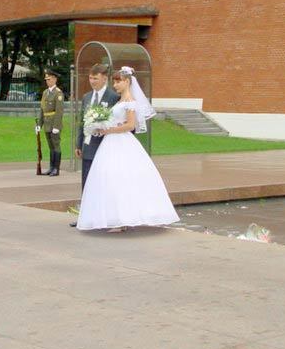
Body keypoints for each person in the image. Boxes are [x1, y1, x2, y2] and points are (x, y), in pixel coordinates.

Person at [76, 66, 180, 232]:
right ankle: (116, 217)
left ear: (128, 82)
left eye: (119, 81)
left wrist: (108, 129)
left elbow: (130, 125)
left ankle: (122, 219)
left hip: (120, 141)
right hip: (110, 142)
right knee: (111, 180)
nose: (116, 85)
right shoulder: (120, 100)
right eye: (115, 82)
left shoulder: (130, 101)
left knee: (120, 178)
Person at [69, 64, 120, 227]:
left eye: (95, 78)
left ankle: (104, 217)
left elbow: (117, 121)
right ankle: (85, 217)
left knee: (103, 182)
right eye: (90, 78)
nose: (92, 81)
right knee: (87, 181)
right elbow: (82, 122)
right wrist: (78, 143)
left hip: (105, 146)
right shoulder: (86, 97)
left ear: (104, 78)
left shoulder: (113, 97)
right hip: (88, 146)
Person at [35, 69, 64, 176]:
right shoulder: (45, 93)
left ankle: (56, 168)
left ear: (55, 79)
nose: (47, 81)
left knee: (56, 146)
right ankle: (51, 167)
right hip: (47, 124)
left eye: (49, 79)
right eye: (46, 79)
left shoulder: (58, 93)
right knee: (50, 146)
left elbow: (59, 111)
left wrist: (56, 126)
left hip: (54, 124)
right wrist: (39, 124)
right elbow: (42, 110)